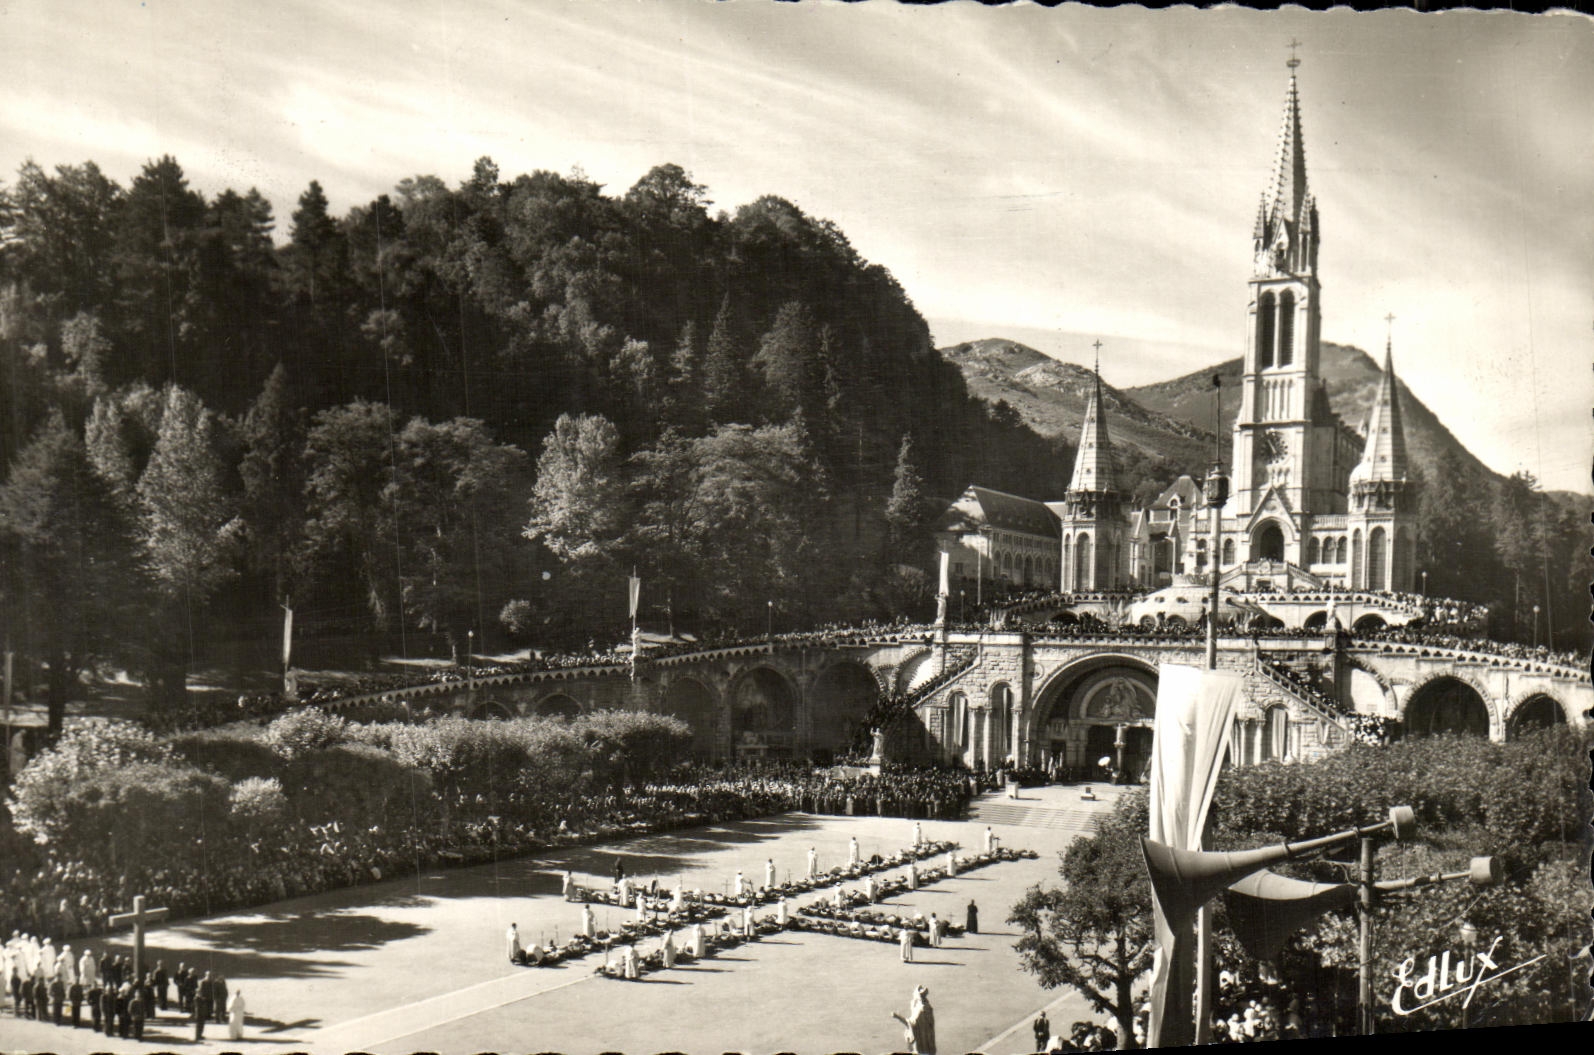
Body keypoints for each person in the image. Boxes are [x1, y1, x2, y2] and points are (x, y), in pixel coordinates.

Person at [890, 985, 936, 1055]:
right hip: (927, 1045)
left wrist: (898, 1017)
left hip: (921, 1045)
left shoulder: (921, 1010)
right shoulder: (927, 1007)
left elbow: (912, 1024)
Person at [194, 971, 212, 1041]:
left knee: (202, 1023)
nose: (209, 976)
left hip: (205, 1006)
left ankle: (200, 1035)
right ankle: (197, 1036)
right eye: (208, 975)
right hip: (199, 1012)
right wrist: (203, 997)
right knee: (199, 1024)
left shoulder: (210, 982)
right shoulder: (202, 982)